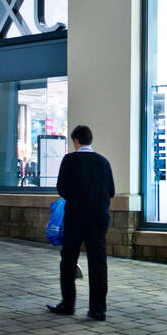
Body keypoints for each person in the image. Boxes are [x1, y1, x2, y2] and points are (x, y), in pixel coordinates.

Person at [48, 125, 115, 321]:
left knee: (68, 260)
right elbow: (110, 191)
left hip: (76, 217)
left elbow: (62, 188)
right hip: (99, 218)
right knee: (98, 262)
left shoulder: (69, 160)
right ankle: (98, 309)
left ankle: (68, 304)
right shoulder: (103, 162)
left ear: (76, 140)